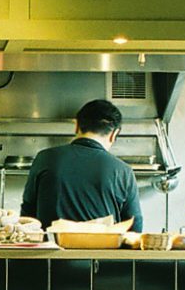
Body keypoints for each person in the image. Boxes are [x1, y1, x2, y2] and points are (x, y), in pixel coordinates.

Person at [20, 99, 144, 232]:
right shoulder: (123, 171)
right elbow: (134, 226)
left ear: (76, 125)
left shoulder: (45, 158)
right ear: (114, 134)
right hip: (103, 245)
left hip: (51, 244)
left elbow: (28, 215)